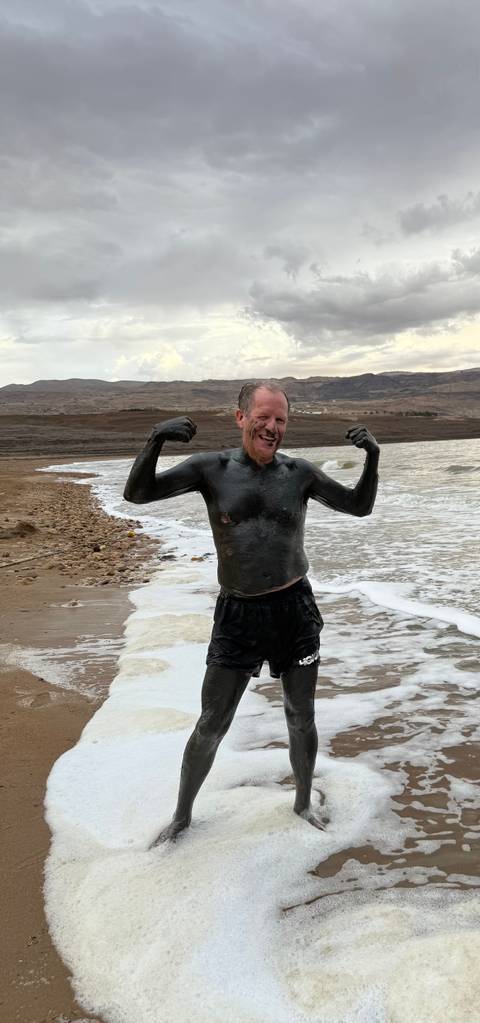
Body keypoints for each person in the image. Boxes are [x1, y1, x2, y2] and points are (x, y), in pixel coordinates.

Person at [123, 381, 380, 842]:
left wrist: (373, 457)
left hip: (294, 611)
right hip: (238, 614)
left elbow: (359, 507)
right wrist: (156, 438)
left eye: (280, 419)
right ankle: (182, 818)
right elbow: (138, 494)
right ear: (241, 417)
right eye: (263, 417)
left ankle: (302, 804)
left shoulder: (299, 474)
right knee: (211, 723)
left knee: (301, 716)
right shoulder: (211, 469)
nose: (272, 427)